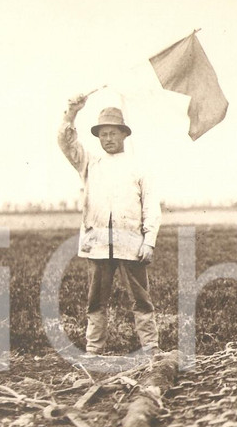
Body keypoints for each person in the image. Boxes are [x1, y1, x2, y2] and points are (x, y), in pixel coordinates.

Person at [58, 95, 161, 356]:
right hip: (98, 245)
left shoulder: (139, 166)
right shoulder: (90, 163)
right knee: (95, 302)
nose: (108, 139)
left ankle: (151, 350)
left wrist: (148, 241)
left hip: (131, 246)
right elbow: (66, 142)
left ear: (124, 135)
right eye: (103, 134)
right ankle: (94, 351)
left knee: (141, 300)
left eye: (113, 133)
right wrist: (71, 113)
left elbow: (151, 206)